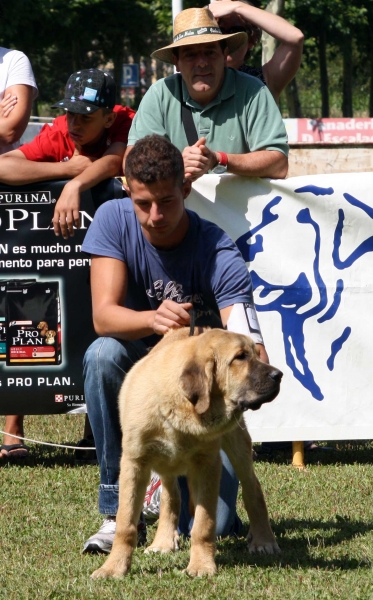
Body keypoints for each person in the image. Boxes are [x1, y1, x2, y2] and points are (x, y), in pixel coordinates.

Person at [81, 134, 269, 553]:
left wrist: (233, 364)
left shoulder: (218, 249)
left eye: (166, 201)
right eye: (143, 203)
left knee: (216, 527)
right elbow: (102, 316)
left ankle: (247, 513)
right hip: (140, 371)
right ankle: (116, 513)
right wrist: (152, 318)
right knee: (102, 355)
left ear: (186, 189)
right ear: (127, 189)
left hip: (199, 388)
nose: (154, 216)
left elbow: (254, 345)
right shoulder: (112, 218)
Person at [0, 68, 135, 461]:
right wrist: (64, 171)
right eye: (69, 114)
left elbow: (115, 162)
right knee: (25, 313)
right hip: (55, 253)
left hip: (113, 251)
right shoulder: (61, 129)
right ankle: (14, 432)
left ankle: (95, 431)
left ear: (108, 117)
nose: (74, 124)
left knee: (99, 325)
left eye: (85, 117)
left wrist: (76, 186)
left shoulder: (126, 120)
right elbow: (5, 167)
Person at [124, 6, 288, 183]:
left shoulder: (253, 90)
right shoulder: (159, 95)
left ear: (224, 55)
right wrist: (176, 165)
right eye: (190, 55)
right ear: (176, 62)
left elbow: (278, 164)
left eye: (210, 52)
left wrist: (218, 159)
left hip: (238, 211)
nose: (202, 63)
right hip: (177, 210)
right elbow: (130, 162)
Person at [0, 47, 38, 459]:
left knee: (15, 298)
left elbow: (11, 132)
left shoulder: (14, 61)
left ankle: (14, 430)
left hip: (7, 197)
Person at [209, 0, 304, 102]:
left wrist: (237, 6)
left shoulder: (264, 80)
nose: (227, 38)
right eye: (220, 30)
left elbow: (295, 38)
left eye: (236, 31)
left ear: (251, 40)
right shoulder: (196, 77)